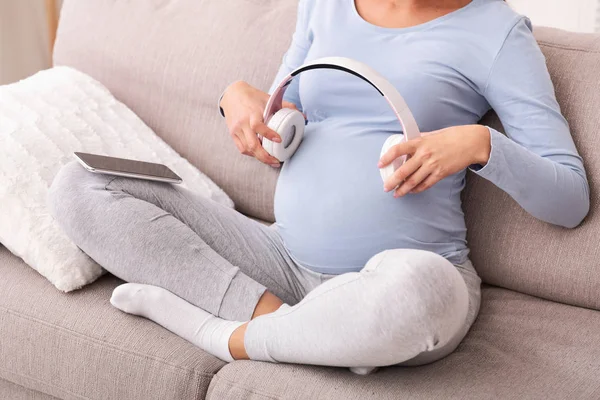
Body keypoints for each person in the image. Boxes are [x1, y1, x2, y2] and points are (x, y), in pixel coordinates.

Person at [49, 0, 589, 374]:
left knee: (423, 295)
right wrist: (238, 100)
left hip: (409, 269)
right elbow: (284, 120)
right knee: (81, 185)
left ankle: (226, 336)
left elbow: (569, 198)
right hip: (280, 259)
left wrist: (479, 145)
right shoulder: (324, 5)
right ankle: (292, 328)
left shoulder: (495, 32)